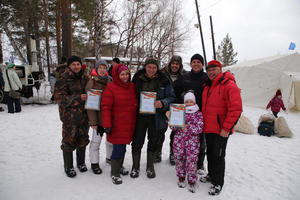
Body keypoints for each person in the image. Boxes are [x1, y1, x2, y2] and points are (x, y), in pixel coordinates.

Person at [200, 60, 242, 195]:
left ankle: (218, 183)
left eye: (214, 69)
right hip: (208, 128)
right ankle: (211, 175)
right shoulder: (208, 86)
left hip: (221, 130)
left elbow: (236, 109)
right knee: (210, 154)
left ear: (220, 69)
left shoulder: (229, 85)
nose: (211, 72)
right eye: (209, 70)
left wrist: (227, 128)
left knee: (218, 156)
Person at [130, 58, 175, 179]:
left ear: (157, 68)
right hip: (140, 116)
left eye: (154, 67)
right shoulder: (137, 78)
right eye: (149, 67)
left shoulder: (164, 79)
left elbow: (171, 97)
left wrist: (163, 103)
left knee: (153, 141)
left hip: (156, 117)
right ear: (145, 67)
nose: (151, 69)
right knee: (137, 141)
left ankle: (150, 166)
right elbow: (130, 94)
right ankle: (135, 166)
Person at [101, 64, 137, 184]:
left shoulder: (131, 86)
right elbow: (106, 107)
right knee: (118, 148)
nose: (125, 76)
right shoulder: (111, 87)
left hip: (129, 123)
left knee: (123, 147)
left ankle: (119, 166)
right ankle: (114, 172)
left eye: (127, 74)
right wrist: (107, 124)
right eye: (122, 74)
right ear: (117, 75)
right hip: (116, 124)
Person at [54, 56, 89, 178]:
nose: (76, 66)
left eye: (78, 64)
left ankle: (81, 163)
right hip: (70, 118)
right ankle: (68, 166)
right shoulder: (63, 79)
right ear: (69, 66)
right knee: (68, 141)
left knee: (83, 140)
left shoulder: (85, 78)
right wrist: (78, 98)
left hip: (84, 116)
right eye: (73, 64)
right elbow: (60, 98)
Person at [173, 53, 208, 174]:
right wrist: (175, 109)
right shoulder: (184, 77)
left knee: (199, 139)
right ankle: (176, 157)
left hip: (200, 113)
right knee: (177, 135)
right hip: (183, 111)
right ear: (191, 63)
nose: (196, 64)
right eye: (194, 62)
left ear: (202, 64)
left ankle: (199, 163)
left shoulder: (206, 78)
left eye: (198, 62)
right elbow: (174, 90)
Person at [170, 91, 204, 193]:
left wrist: (188, 128)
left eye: (191, 101)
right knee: (179, 158)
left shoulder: (198, 114)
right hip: (179, 141)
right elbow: (173, 127)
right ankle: (181, 176)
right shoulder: (179, 111)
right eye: (187, 101)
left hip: (192, 143)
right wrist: (172, 121)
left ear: (194, 102)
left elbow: (200, 128)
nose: (189, 103)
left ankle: (192, 180)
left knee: (191, 161)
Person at [156, 55, 186, 165]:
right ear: (170, 64)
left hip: (178, 107)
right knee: (160, 130)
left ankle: (173, 153)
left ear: (180, 65)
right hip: (164, 106)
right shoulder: (162, 73)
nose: (175, 65)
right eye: (173, 63)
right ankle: (157, 152)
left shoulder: (184, 75)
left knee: (176, 133)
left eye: (177, 64)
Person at [85, 59, 112, 175]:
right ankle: (94, 163)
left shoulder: (110, 81)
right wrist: (94, 122)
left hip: (109, 117)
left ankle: (110, 158)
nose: (102, 70)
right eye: (100, 67)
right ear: (96, 68)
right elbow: (90, 105)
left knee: (110, 141)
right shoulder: (92, 82)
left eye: (104, 68)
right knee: (96, 141)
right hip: (98, 118)